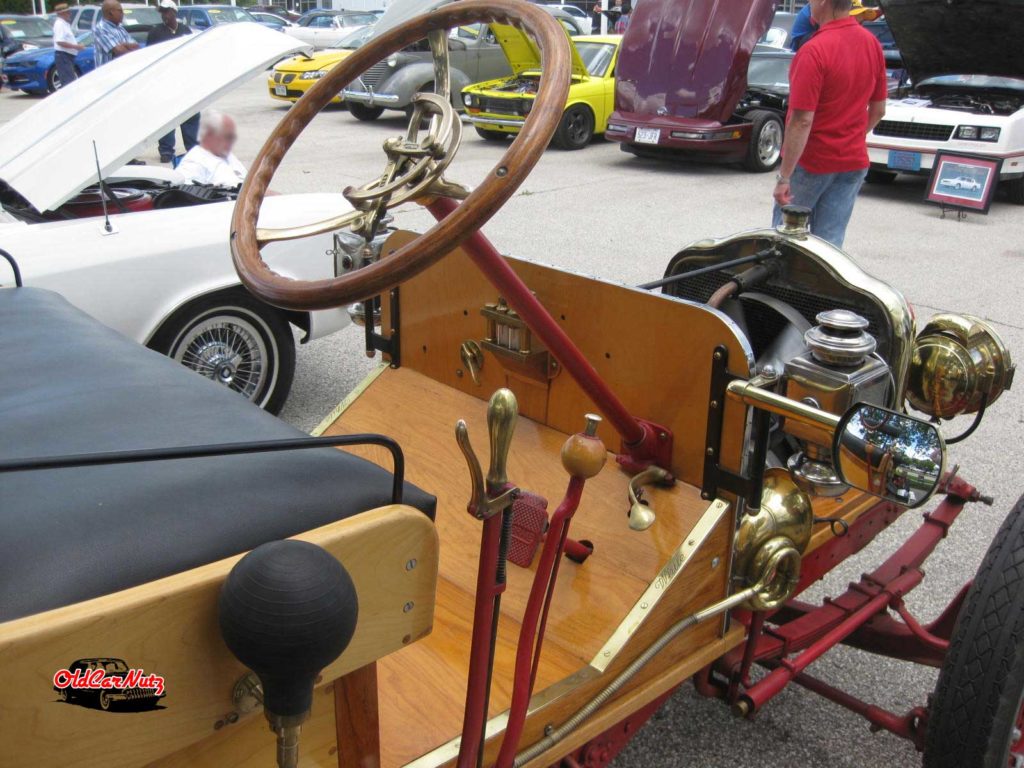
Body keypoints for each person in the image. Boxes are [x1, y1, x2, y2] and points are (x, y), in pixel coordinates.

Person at [771, 0, 888, 248]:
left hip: (813, 160)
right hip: (852, 160)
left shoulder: (814, 50)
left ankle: (784, 288)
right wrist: (851, 135)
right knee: (830, 246)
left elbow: (801, 120)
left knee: (784, 245)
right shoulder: (872, 45)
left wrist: (784, 177)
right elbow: (878, 111)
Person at [147, 0, 199, 164]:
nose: (165, 15)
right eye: (162, 12)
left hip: (185, 81)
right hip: (165, 82)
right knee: (167, 117)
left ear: (174, 13)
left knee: (190, 116)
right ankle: (166, 150)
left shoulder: (185, 31)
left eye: (167, 12)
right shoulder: (156, 33)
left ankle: (193, 148)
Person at [176, 111, 247, 187]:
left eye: (233, 137)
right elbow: (183, 192)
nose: (232, 141)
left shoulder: (227, 155)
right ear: (209, 136)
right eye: (228, 137)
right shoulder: (194, 162)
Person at [790, 0, 882, 51]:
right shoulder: (814, 14)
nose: (858, 22)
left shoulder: (871, 42)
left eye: (861, 19)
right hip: (801, 42)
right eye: (853, 17)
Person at [93, 0, 139, 67]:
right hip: (108, 73)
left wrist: (123, 45)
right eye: (120, 11)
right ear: (111, 12)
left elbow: (136, 46)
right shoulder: (101, 29)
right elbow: (120, 51)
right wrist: (125, 46)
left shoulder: (120, 28)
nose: (123, 13)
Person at [51, 3, 84, 88]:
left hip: (67, 56)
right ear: (61, 13)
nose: (69, 14)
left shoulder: (64, 24)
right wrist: (76, 47)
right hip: (63, 56)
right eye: (67, 12)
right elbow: (60, 41)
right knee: (68, 83)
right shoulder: (59, 24)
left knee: (70, 80)